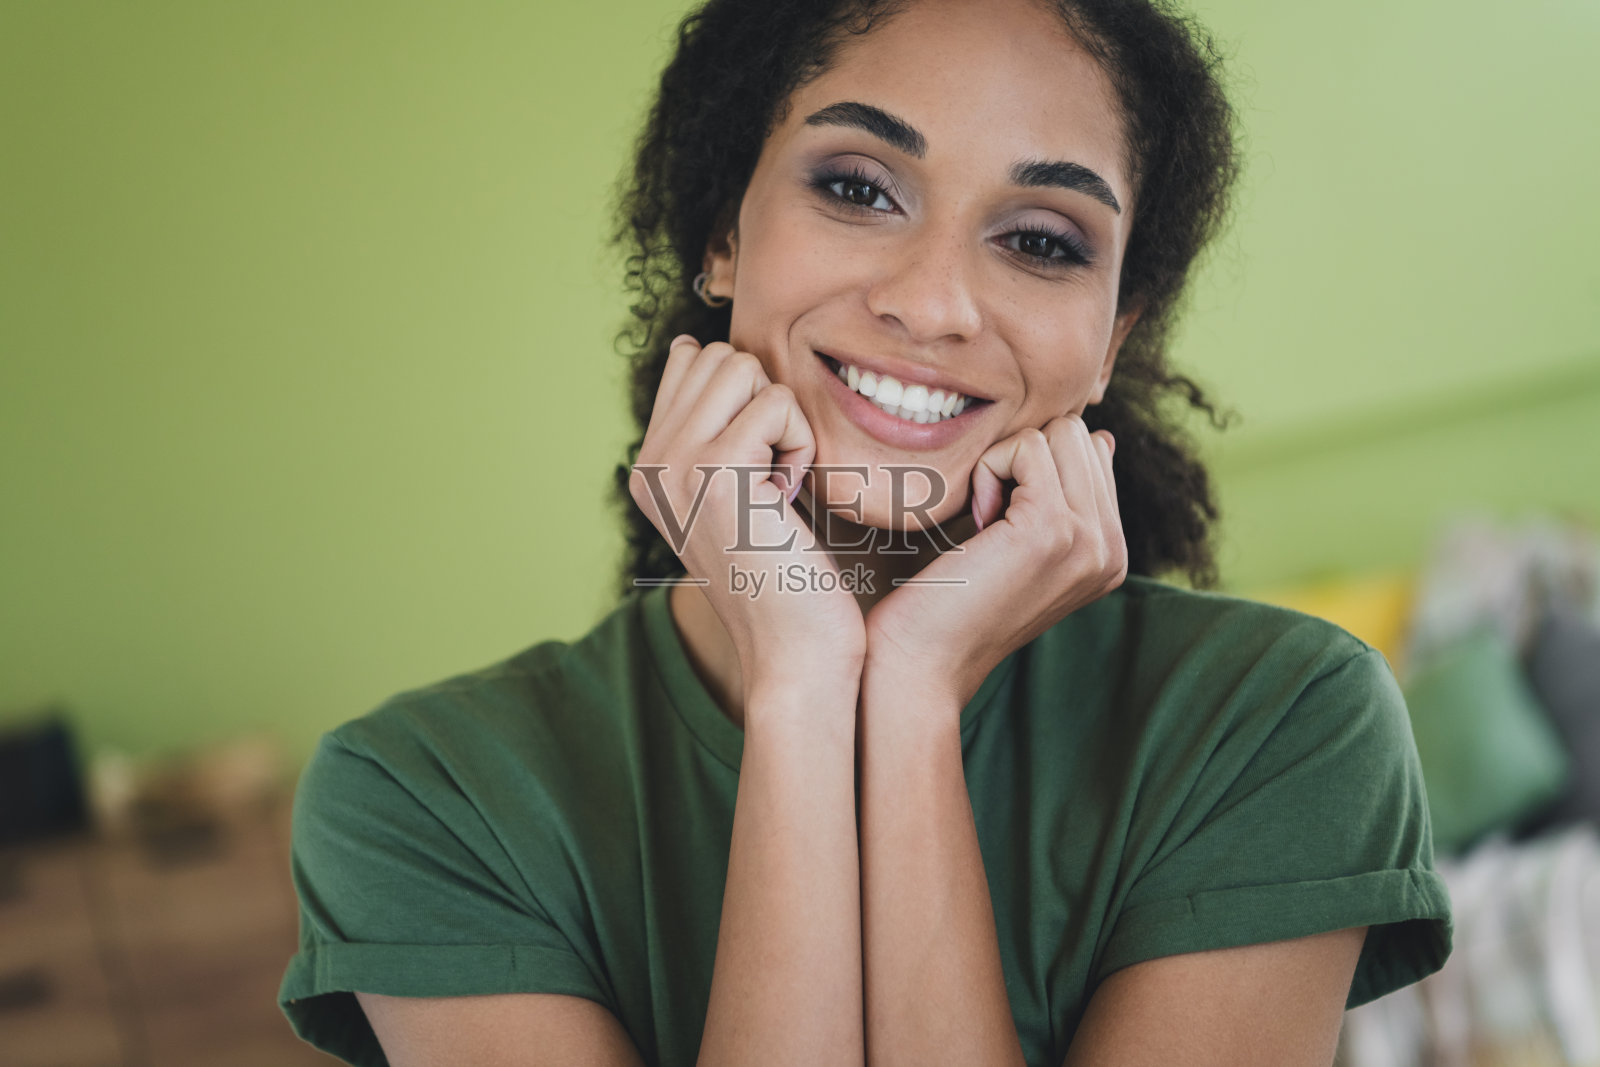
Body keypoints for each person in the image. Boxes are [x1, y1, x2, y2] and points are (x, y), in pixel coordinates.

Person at [278, 0, 1454, 1063]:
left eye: (1041, 240)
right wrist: (802, 686)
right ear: (723, 232)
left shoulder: (1282, 724)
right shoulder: (420, 798)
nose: (932, 302)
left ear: (1108, 338)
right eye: (856, 186)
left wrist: (911, 698)